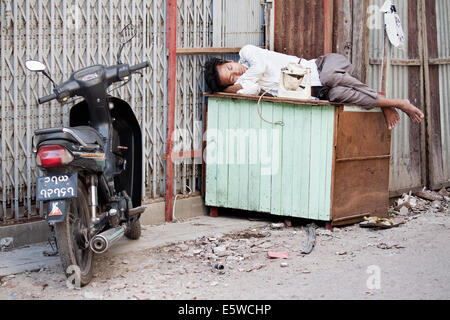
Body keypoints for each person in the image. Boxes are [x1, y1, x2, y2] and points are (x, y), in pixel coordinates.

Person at [203, 45, 424, 130]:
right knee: (337, 95)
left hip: (324, 65)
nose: (236, 72)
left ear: (228, 60)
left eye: (230, 67)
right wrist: (234, 88)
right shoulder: (248, 84)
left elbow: (259, 67)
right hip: (321, 91)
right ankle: (391, 102)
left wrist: (239, 82)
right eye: (231, 78)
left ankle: (388, 102)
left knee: (329, 77)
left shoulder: (247, 53)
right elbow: (249, 91)